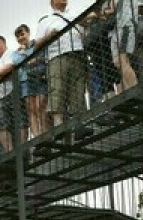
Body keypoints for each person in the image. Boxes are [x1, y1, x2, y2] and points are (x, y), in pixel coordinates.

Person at [34, 0, 90, 138]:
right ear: (52, 2)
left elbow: (84, 33)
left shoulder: (75, 15)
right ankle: (59, 126)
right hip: (56, 56)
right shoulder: (46, 21)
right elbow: (36, 45)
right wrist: (49, 36)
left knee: (78, 89)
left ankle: (79, 125)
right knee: (57, 88)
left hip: (77, 53)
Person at [13, 24, 50, 138]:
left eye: (22, 34)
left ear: (28, 33)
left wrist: (36, 60)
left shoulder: (36, 44)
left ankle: (45, 133)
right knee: (31, 109)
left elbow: (43, 56)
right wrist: (25, 54)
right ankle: (37, 136)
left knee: (41, 106)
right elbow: (18, 63)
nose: (20, 38)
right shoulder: (17, 52)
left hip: (40, 76)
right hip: (26, 81)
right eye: (18, 36)